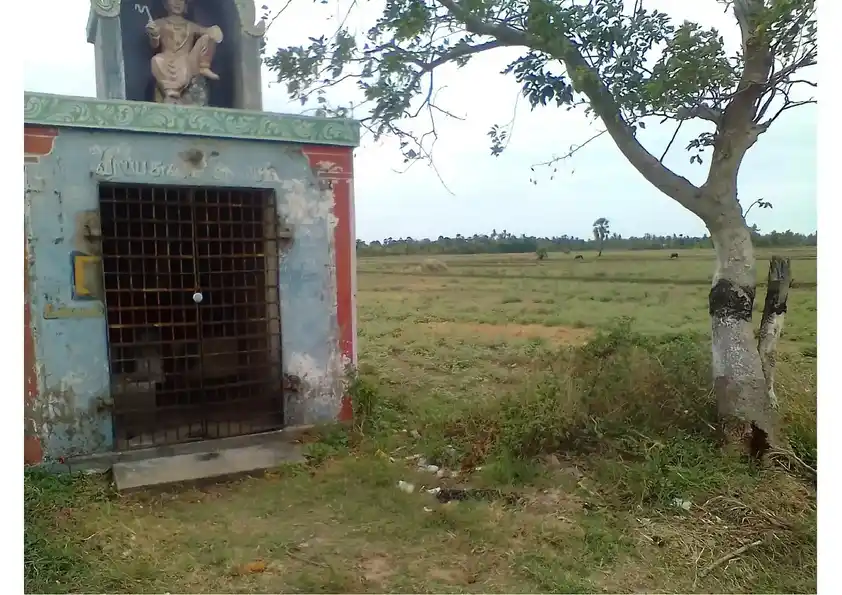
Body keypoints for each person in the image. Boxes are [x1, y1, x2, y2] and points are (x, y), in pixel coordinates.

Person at [147, 0, 224, 103]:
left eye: (181, 0)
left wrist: (214, 32)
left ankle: (203, 66)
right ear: (165, 4)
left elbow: (208, 32)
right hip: (166, 57)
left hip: (186, 59)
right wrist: (154, 35)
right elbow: (154, 45)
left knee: (206, 38)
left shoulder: (191, 25)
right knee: (156, 60)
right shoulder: (160, 23)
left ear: (186, 5)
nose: (177, 3)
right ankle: (171, 92)